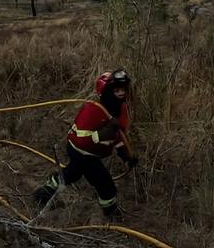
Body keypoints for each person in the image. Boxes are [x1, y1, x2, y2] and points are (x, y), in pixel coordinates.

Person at [33, 69, 138, 218]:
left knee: (73, 173)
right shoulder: (93, 111)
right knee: (105, 184)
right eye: (117, 90)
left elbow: (118, 137)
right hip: (81, 152)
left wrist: (126, 157)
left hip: (89, 153)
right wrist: (102, 134)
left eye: (123, 89)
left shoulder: (120, 110)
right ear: (107, 92)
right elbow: (81, 139)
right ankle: (111, 213)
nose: (121, 93)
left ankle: (46, 190)